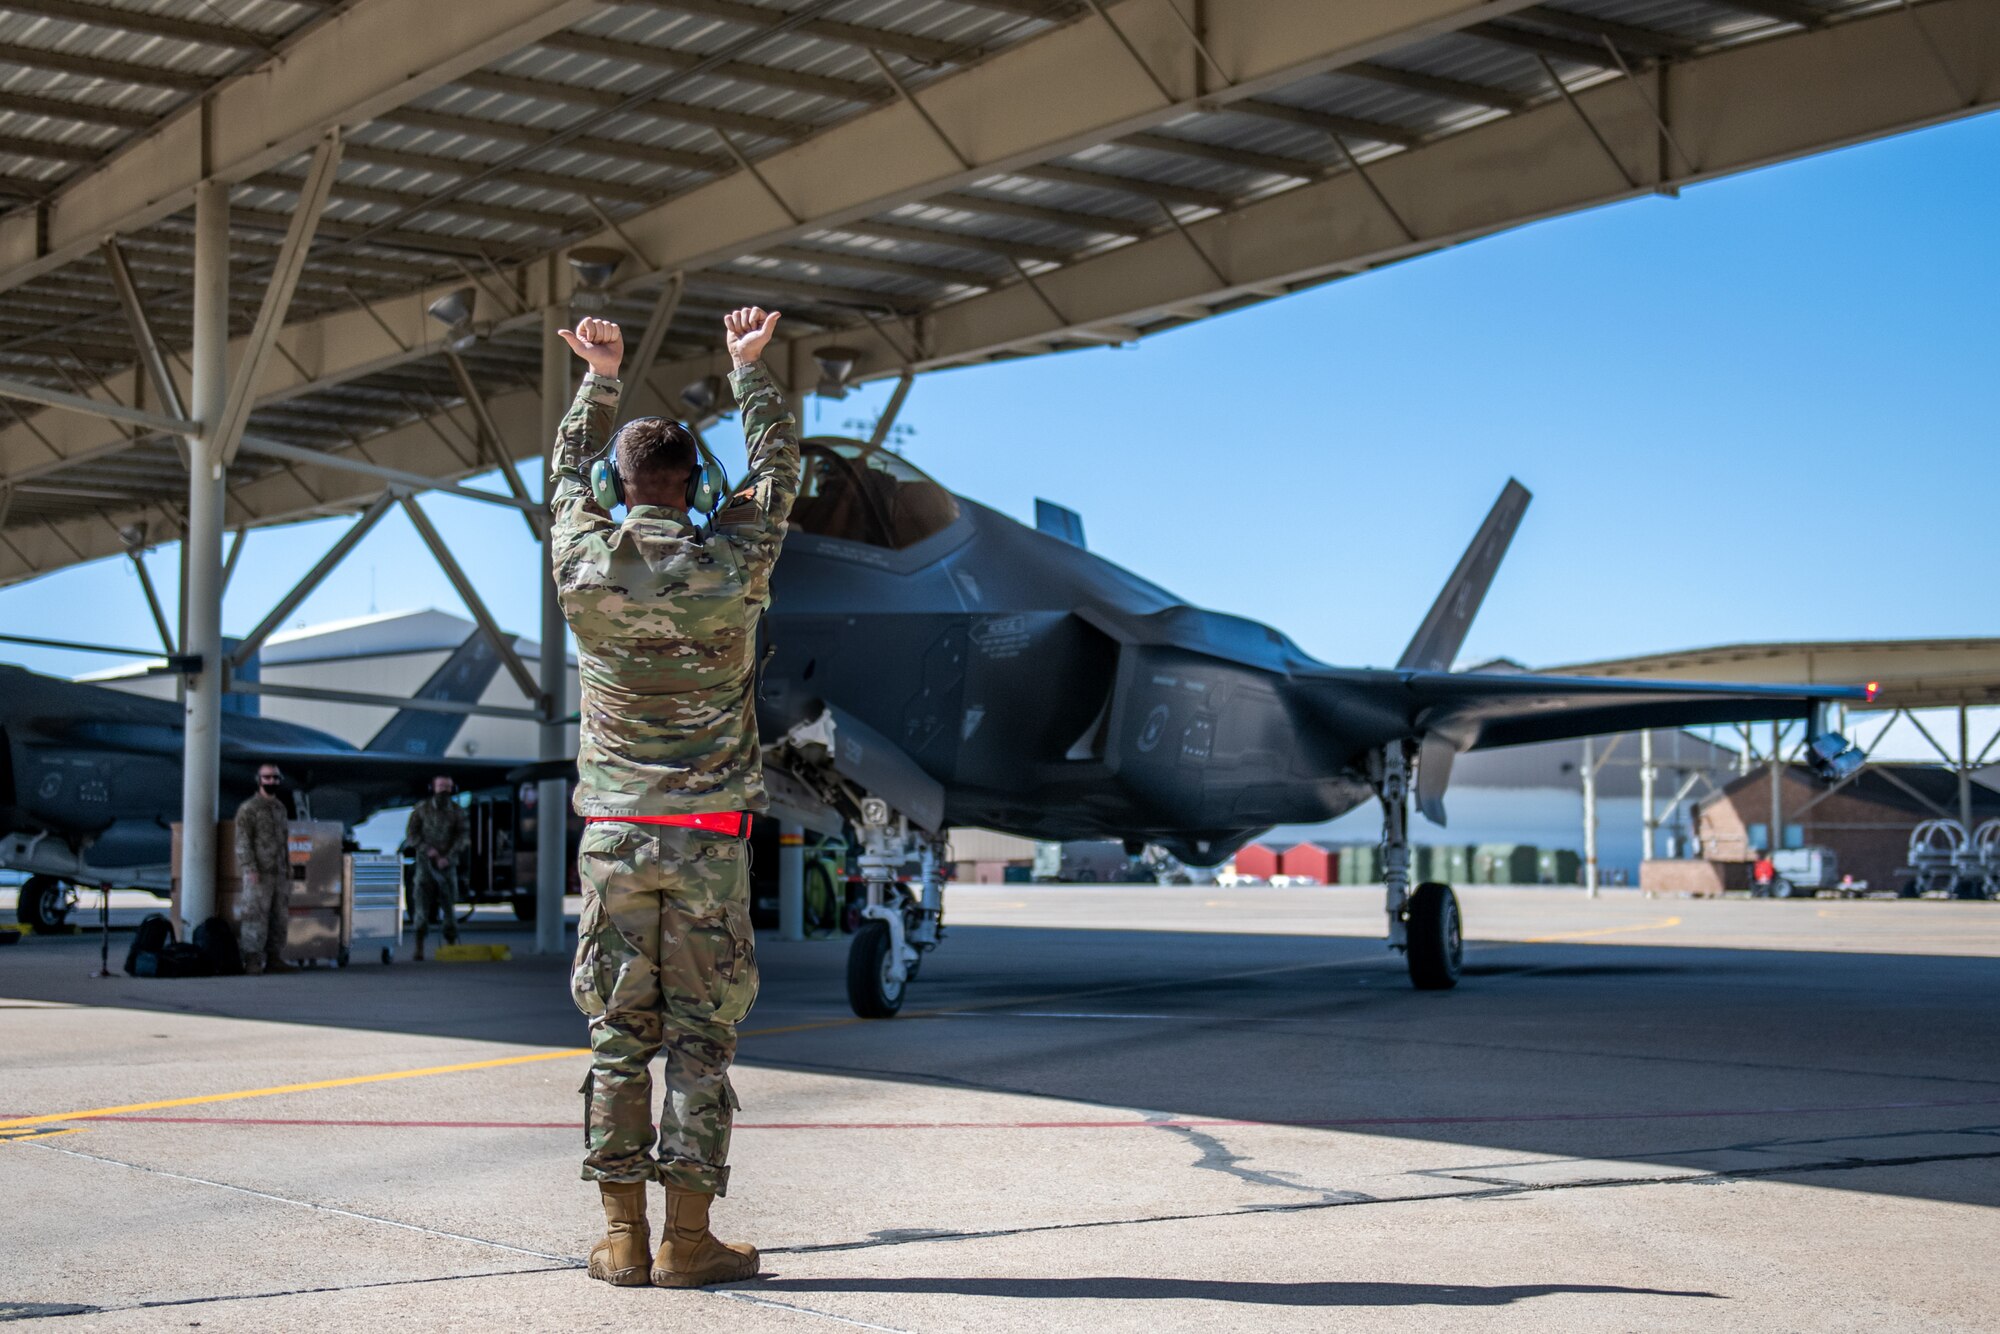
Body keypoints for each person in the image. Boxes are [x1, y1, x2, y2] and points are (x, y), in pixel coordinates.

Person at [551, 306, 798, 1289]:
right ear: (697, 485)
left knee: (618, 1038)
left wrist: (596, 380)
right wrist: (748, 372)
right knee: (701, 1038)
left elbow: (566, 478)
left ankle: (618, 1233)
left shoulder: (582, 559)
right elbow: (778, 470)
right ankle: (687, 1240)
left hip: (614, 839)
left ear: (617, 487)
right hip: (706, 843)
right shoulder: (733, 559)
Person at [231, 763, 292, 975]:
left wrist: (288, 870)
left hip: (279, 873)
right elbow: (242, 841)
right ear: (259, 780)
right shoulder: (249, 809)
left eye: (275, 778)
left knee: (279, 917)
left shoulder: (279, 809)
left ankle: (275, 958)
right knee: (255, 917)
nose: (272, 782)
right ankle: (253, 961)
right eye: (267, 778)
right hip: (259, 873)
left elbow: (284, 843)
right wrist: (250, 868)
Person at [402, 775, 468, 961]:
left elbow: (463, 837)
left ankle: (451, 946)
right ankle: (419, 947)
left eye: (447, 787)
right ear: (433, 788)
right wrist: (429, 851)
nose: (443, 792)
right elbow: (412, 835)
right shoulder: (421, 810)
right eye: (440, 787)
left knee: (449, 908)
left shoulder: (457, 812)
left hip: (447, 867)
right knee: (421, 909)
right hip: (425, 867)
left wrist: (448, 857)